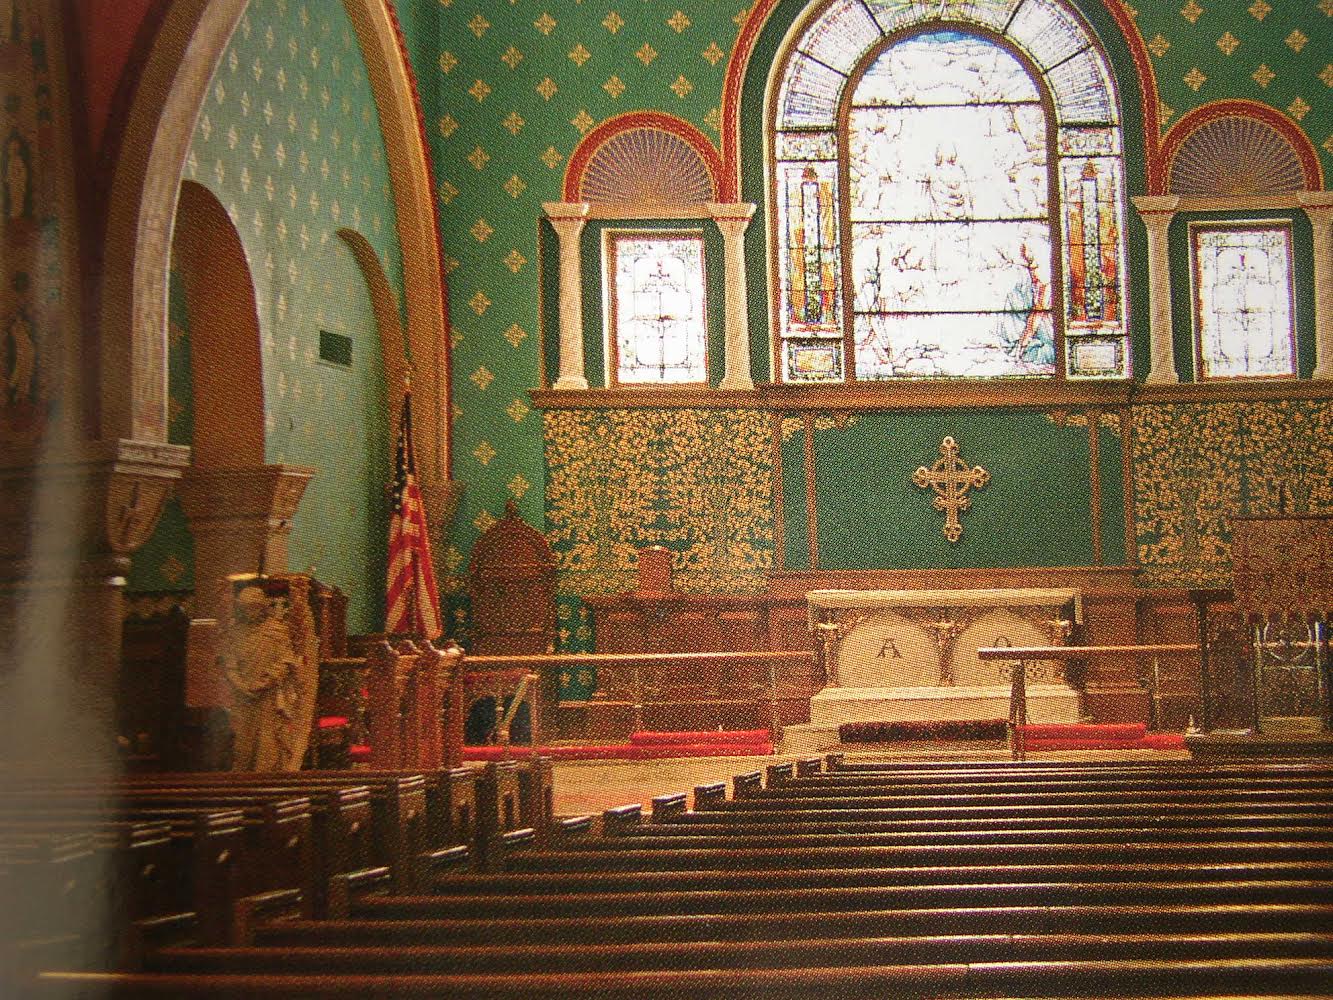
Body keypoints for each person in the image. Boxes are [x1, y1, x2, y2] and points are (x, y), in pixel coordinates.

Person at [225, 585, 306, 770]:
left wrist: (265, 682)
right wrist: (241, 685)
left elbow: (285, 661)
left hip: (268, 697)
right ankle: (243, 788)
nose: (250, 611)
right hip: (242, 698)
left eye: (254, 607)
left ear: (263, 607)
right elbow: (229, 664)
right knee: (242, 747)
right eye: (246, 607)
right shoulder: (234, 633)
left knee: (267, 745)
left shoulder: (277, 630)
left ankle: (268, 784)